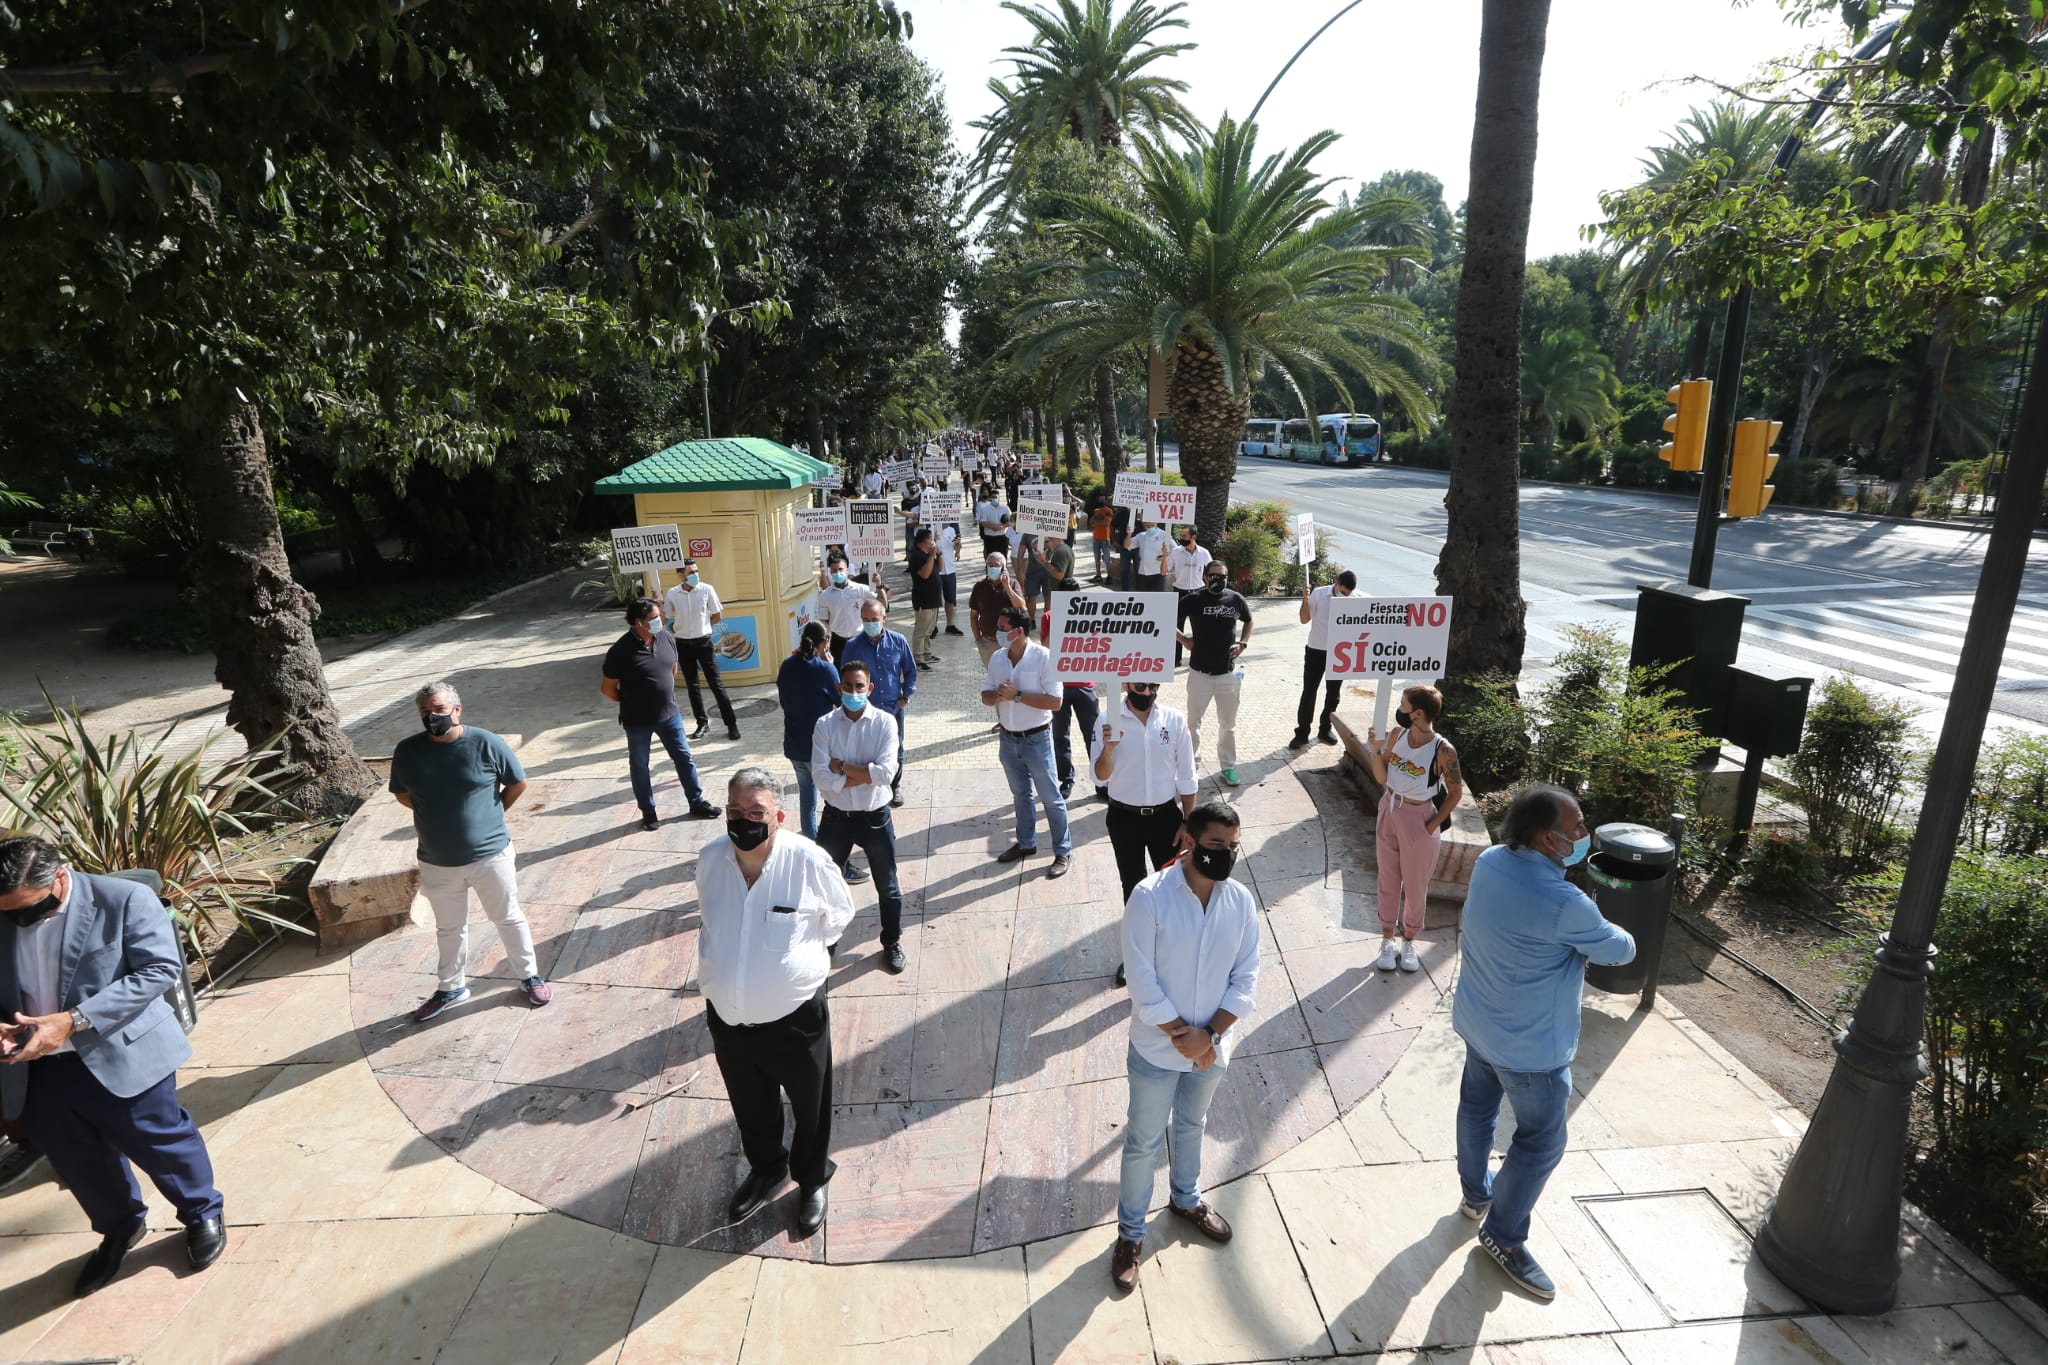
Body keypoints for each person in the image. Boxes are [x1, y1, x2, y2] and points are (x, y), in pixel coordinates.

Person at [0, 836, 229, 1296]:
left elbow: (158, 969)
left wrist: (73, 1021)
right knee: (75, 1157)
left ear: (59, 879)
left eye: (26, 909)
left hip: (120, 1050)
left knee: (159, 1138)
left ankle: (201, 1211)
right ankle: (120, 1228)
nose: (15, 920)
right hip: (36, 1064)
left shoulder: (123, 899)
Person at [1453, 785, 1635, 1301]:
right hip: (1531, 1049)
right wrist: (1605, 926)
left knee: (1476, 1109)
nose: (1583, 833)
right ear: (1547, 838)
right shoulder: (1564, 902)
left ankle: (1474, 1197)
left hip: (1478, 1023)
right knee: (1542, 1141)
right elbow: (1622, 950)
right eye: (1576, 827)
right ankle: (1504, 1236)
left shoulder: (1490, 861)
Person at [698, 770, 854, 1245]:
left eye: (756, 812)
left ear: (779, 816)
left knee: (811, 1106)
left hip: (795, 1017)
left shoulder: (807, 860)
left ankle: (810, 1181)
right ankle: (767, 1169)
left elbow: (839, 915)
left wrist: (802, 964)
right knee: (750, 1105)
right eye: (735, 810)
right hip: (728, 1015)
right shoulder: (710, 860)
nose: (743, 820)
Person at [1109, 800, 1257, 1292]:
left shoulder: (1239, 901)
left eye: (1233, 846)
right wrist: (1186, 1037)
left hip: (1211, 1047)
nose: (1226, 855)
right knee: (1143, 1142)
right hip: (1158, 1050)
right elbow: (1142, 981)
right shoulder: (1149, 897)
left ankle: (1186, 1199)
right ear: (1189, 840)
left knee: (1193, 1124)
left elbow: (1246, 978)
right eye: (1217, 844)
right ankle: (1130, 1235)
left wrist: (1209, 1036)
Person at [391, 682, 551, 1022]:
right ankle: (451, 987)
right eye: (424, 712)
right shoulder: (407, 751)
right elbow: (403, 794)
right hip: (437, 861)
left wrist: (490, 816)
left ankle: (529, 977)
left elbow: (518, 784)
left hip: (490, 855)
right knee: (449, 928)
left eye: (437, 710)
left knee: (508, 917)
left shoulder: (485, 743)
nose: (431, 717)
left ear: (456, 709)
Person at [1093, 679, 1198, 989]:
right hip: (1123, 818)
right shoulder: (1106, 721)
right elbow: (1099, 775)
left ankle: (1175, 952)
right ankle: (1138, 955)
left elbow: (1188, 774)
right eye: (1141, 686)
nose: (1148, 693)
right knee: (1134, 885)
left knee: (1173, 886)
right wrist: (1109, 749)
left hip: (1166, 818)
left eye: (1154, 686)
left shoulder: (1174, 720)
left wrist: (1188, 821)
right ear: (1126, 684)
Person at [811, 662, 909, 974]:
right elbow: (819, 777)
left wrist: (841, 768)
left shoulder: (884, 723)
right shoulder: (825, 725)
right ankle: (826, 941)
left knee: (888, 886)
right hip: (836, 817)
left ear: (870, 689)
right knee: (825, 884)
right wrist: (863, 773)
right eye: (848, 686)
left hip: (874, 818)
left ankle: (891, 941)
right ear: (839, 688)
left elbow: (886, 774)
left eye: (859, 686)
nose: (854, 692)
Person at [1363, 684, 1466, 973]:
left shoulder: (1443, 750)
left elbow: (1455, 792)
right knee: (1388, 878)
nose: (1400, 709)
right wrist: (1375, 752)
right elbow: (1382, 776)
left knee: (1416, 884)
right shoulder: (1398, 735)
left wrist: (1430, 826)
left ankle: (1409, 939)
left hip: (1419, 817)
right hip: (1389, 809)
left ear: (1417, 713)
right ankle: (1387, 938)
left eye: (1404, 704)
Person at [601, 597, 723, 832]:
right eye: (654, 618)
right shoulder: (620, 651)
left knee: (684, 759)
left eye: (660, 616)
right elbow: (607, 689)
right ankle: (648, 811)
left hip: (670, 715)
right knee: (639, 766)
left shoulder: (666, 637)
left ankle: (696, 802)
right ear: (639, 623)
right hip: (637, 721)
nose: (660, 620)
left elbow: (672, 669)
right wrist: (631, 702)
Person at [982, 605, 1072, 878]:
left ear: (1019, 631)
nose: (997, 633)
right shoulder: (998, 658)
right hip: (1009, 741)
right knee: (1020, 795)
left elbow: (1055, 702)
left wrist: (1017, 695)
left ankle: (1062, 850)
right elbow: (985, 696)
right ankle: (1026, 843)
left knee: (1050, 798)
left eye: (1003, 628)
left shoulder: (1044, 657)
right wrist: (998, 696)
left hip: (1037, 739)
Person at [1175, 562, 1254, 787]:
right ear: (1204, 576)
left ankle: (1228, 767)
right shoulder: (1193, 599)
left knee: (1228, 724)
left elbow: (1249, 621)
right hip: (1199, 673)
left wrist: (1243, 643)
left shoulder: (1235, 599)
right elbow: (1167, 617)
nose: (1218, 579)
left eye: (1223, 576)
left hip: (1227, 675)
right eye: (1213, 575)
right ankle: (1192, 768)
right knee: (1193, 723)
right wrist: (1184, 640)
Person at [839, 598, 918, 809]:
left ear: (884, 618)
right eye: (865, 620)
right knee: (868, 748)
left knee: (896, 747)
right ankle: (871, 784)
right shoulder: (853, 645)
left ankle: (894, 786)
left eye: (874, 619)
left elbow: (910, 671)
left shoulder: (898, 640)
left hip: (893, 708)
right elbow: (845, 676)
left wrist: (906, 695)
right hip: (866, 710)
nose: (870, 623)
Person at [663, 559, 742, 742]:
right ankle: (701, 723)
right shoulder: (673, 593)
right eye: (690, 572)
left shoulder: (707, 589)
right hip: (683, 644)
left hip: (703, 643)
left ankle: (731, 724)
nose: (695, 575)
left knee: (716, 684)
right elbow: (666, 615)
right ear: (680, 575)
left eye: (696, 571)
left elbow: (717, 614)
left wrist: (703, 626)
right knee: (693, 686)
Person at [776, 623, 840, 841]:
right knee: (834, 797)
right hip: (819, 748)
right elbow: (842, 701)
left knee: (807, 794)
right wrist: (833, 667)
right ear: (825, 643)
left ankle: (810, 838)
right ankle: (828, 844)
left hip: (794, 746)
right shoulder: (824, 669)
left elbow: (784, 700)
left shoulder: (787, 665)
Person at [1289, 569, 1358, 750]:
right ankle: (1302, 732)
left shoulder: (1355, 600)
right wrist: (1305, 599)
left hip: (1340, 654)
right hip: (1316, 651)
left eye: (1348, 593)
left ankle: (1325, 729)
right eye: (1343, 592)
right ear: (1336, 583)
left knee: (1333, 695)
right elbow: (1304, 619)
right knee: (1309, 691)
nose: (1346, 595)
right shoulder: (1319, 594)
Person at [1039, 608, 1102, 803]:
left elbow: (1100, 644)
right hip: (1059, 686)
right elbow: (1046, 646)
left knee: (1093, 735)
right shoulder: (1049, 616)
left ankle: (1101, 780)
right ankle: (1066, 778)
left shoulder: (1091, 616)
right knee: (1059, 735)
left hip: (1085, 684)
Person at [818, 552, 881, 661]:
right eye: (834, 570)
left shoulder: (861, 589)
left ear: (847, 569)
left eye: (841, 569)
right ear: (830, 571)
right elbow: (824, 622)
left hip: (859, 638)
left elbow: (881, 603)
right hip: (837, 642)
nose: (838, 573)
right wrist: (825, 645)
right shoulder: (825, 595)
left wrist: (879, 586)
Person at [969, 552, 1025, 669]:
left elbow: (1022, 607)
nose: (993, 568)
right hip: (988, 642)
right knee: (993, 678)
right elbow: (974, 615)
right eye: (990, 565)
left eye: (996, 565)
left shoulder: (1013, 584)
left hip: (1010, 642)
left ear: (1003, 568)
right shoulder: (979, 587)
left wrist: (1007, 588)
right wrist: (978, 640)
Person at [906, 526, 944, 667]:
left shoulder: (928, 554)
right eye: (930, 538)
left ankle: (927, 653)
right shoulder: (916, 555)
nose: (931, 541)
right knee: (921, 629)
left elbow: (939, 569)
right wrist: (932, 556)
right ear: (923, 541)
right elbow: (924, 574)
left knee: (929, 629)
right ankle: (917, 657)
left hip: (934, 598)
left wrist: (938, 555)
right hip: (923, 598)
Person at [1125, 517, 1168, 593]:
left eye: (1152, 525)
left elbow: (1175, 550)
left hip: (1158, 573)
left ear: (1157, 523)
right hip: (1143, 573)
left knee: (1158, 599)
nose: (1150, 527)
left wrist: (1165, 556)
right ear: (1144, 525)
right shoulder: (1141, 536)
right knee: (1142, 599)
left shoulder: (1164, 535)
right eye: (1147, 526)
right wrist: (1129, 535)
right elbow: (1126, 546)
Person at [937, 518, 964, 637]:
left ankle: (950, 625)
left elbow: (956, 548)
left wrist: (958, 545)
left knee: (950, 599)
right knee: (935, 600)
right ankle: (933, 626)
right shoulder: (930, 529)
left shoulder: (951, 530)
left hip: (950, 569)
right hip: (936, 571)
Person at [1166, 526, 1212, 592]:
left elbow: (1211, 569)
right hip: (1180, 590)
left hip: (1198, 589)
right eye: (1181, 536)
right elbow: (1166, 568)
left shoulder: (1204, 552)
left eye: (1184, 536)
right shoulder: (1175, 551)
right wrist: (1164, 557)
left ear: (1193, 537)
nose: (1181, 538)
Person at [976, 487, 1009, 557]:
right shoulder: (985, 509)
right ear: (990, 498)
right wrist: (993, 526)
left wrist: (1003, 526)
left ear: (999, 497)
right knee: (991, 556)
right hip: (990, 537)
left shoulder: (1005, 508)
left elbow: (1012, 520)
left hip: (1002, 536)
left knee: (1003, 557)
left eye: (996, 497)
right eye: (993, 497)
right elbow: (982, 522)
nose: (994, 499)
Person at [1089, 499, 1115, 584]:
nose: (1101, 500)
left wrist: (1096, 522)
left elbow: (1106, 522)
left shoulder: (1109, 511)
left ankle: (1109, 576)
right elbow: (1091, 522)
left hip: (1105, 537)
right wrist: (1098, 522)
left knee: (1107, 558)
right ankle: (1098, 575)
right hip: (1096, 537)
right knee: (1097, 558)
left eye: (1102, 499)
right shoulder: (1096, 511)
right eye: (1100, 499)